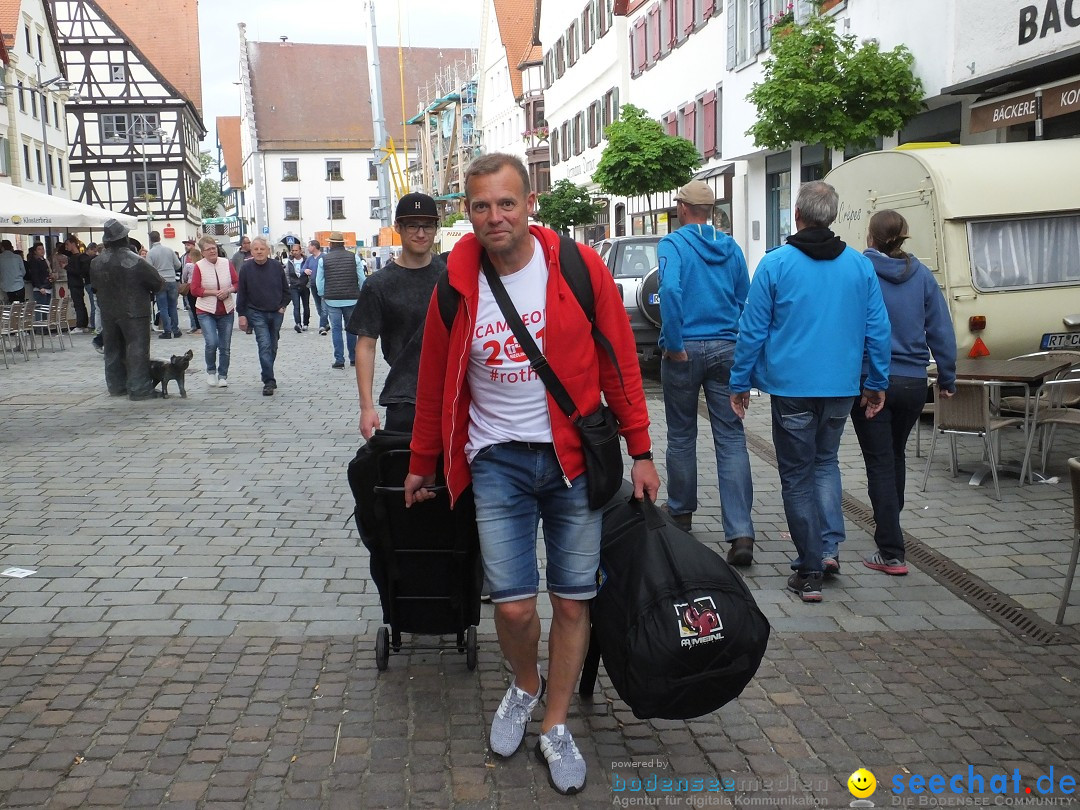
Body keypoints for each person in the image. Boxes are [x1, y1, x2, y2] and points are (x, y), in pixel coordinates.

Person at [403, 154, 659, 796]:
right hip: (497, 461)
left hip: (574, 460)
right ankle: (523, 684)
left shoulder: (576, 267)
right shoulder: (455, 284)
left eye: (507, 203)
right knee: (515, 606)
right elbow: (433, 383)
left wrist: (643, 450)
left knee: (573, 599)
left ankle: (554, 722)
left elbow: (620, 362)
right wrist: (420, 464)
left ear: (529, 204)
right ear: (467, 211)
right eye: (482, 205)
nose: (495, 216)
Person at [729, 181, 891, 604]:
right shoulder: (859, 266)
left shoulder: (776, 264)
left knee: (797, 476)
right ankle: (829, 549)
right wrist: (876, 382)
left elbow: (752, 329)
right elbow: (878, 328)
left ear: (796, 215)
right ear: (831, 216)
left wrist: (740, 380)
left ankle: (810, 568)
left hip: (791, 388)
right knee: (825, 464)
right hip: (840, 388)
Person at [657, 180, 756, 565]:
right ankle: (741, 533)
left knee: (682, 434)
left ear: (682, 208)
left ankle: (680, 512)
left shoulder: (674, 244)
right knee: (731, 438)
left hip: (685, 351)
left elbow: (670, 291)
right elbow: (743, 297)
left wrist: (676, 341)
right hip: (726, 347)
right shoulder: (729, 247)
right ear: (711, 211)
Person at [852, 210, 956, 576]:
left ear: (871, 236)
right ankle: (889, 529)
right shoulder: (922, 275)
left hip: (871, 381)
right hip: (913, 383)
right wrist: (947, 375)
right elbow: (941, 328)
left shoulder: (860, 271)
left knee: (880, 462)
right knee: (895, 456)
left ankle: (892, 551)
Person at [349, 192, 445, 437]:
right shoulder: (379, 284)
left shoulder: (451, 275)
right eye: (413, 225)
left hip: (455, 394)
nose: (421, 233)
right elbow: (366, 345)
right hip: (405, 397)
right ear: (398, 228)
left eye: (428, 225)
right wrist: (366, 407)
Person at [89, 219, 164, 400]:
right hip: (135, 311)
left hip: (108, 311)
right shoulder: (136, 261)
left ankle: (116, 385)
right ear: (125, 238)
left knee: (112, 348)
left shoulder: (96, 263)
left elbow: (95, 287)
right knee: (136, 347)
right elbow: (159, 283)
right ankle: (139, 388)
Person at [236, 236, 289, 396]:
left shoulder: (276, 267)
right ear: (251, 251)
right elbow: (242, 293)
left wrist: (283, 305)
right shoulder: (246, 268)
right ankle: (269, 381)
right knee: (264, 344)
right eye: (256, 249)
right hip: (256, 312)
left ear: (268, 251)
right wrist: (242, 314)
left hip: (276, 312)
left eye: (262, 249)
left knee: (273, 345)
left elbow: (286, 290)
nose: (259, 252)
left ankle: (267, 372)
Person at [190, 236, 238, 388]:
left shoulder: (226, 263)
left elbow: (237, 283)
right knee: (212, 343)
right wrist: (213, 292)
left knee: (225, 346)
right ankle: (211, 371)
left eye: (214, 248)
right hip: (206, 310)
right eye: (208, 249)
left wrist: (228, 290)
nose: (212, 251)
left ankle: (223, 375)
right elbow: (195, 289)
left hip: (226, 309)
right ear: (202, 252)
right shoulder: (199, 266)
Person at [316, 232, 364, 369]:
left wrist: (322, 294)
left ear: (331, 244)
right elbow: (361, 278)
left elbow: (319, 281)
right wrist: (361, 293)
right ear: (343, 243)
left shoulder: (323, 260)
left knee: (336, 329)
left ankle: (339, 360)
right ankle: (354, 358)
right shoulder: (354, 257)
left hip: (332, 300)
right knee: (351, 329)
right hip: (352, 299)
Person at [146, 230, 182, 339]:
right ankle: (176, 330)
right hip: (171, 280)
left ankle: (167, 331)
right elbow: (178, 264)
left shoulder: (150, 253)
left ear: (151, 240)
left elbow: (149, 269)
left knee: (163, 307)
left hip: (160, 281)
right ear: (160, 238)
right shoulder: (169, 250)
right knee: (173, 306)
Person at [304, 239, 330, 335]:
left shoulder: (324, 257)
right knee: (318, 306)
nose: (308, 248)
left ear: (314, 247)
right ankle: (326, 324)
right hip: (313, 285)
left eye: (309, 246)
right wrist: (305, 270)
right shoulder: (309, 259)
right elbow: (303, 268)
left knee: (324, 307)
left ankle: (322, 326)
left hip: (324, 285)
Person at [285, 242, 310, 333]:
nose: (294, 252)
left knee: (306, 306)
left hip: (304, 286)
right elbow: (287, 273)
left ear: (300, 251)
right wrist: (288, 284)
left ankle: (306, 323)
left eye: (296, 250)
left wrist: (309, 283)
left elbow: (311, 272)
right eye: (293, 250)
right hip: (294, 286)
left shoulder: (306, 260)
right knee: (296, 306)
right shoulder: (290, 261)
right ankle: (298, 323)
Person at [180, 242, 201, 334]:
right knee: (200, 307)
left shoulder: (188, 265)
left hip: (190, 287)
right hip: (201, 287)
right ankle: (202, 326)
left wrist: (184, 282)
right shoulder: (201, 264)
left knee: (192, 308)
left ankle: (196, 326)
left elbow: (184, 276)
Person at [27, 243, 51, 311]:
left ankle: (45, 321)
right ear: (35, 251)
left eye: (43, 248)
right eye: (39, 249)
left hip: (47, 287)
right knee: (40, 310)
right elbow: (34, 275)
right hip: (40, 289)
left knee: (46, 310)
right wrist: (40, 287)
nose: (42, 251)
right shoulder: (34, 261)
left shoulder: (44, 260)